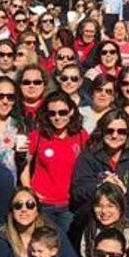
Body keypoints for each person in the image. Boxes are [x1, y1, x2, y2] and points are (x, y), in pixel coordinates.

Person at [22, 91, 87, 239]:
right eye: (52, 113)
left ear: (71, 111)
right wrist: (29, 191)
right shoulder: (38, 135)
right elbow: (25, 163)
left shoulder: (81, 136)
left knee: (66, 246)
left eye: (62, 112)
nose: (57, 117)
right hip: (43, 203)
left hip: (69, 204)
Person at [71, 109, 129, 221]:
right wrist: (100, 186)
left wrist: (123, 190)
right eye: (109, 131)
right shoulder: (89, 154)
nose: (114, 135)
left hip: (127, 211)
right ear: (102, 131)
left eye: (121, 131)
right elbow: (78, 190)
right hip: (95, 210)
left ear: (128, 133)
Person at [76, 183, 129, 257]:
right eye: (99, 206)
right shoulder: (90, 230)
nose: (104, 211)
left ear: (121, 208)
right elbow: (85, 255)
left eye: (110, 206)